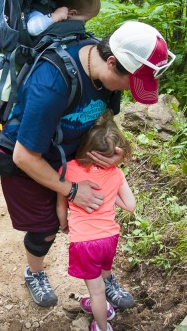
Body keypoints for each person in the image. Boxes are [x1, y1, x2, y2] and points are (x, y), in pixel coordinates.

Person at [0, 20, 175, 309]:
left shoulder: (107, 73)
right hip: (28, 160)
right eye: (131, 83)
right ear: (113, 62)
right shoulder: (52, 82)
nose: (129, 91)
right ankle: (35, 272)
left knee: (98, 226)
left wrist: (118, 150)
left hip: (71, 154)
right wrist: (72, 191)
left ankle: (104, 278)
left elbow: (105, 118)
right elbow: (24, 156)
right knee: (46, 229)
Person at [56, 109, 136, 331]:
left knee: (97, 291)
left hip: (85, 242)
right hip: (110, 238)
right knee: (100, 280)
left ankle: (102, 325)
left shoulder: (68, 170)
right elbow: (130, 205)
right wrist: (110, 195)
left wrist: (64, 225)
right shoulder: (116, 174)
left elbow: (61, 206)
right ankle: (101, 307)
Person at [0, 0, 101, 124]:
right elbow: (32, 27)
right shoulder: (42, 12)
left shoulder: (67, 26)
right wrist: (54, 17)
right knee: (3, 91)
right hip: (19, 60)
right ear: (71, 13)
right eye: (84, 21)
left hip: (40, 60)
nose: (83, 26)